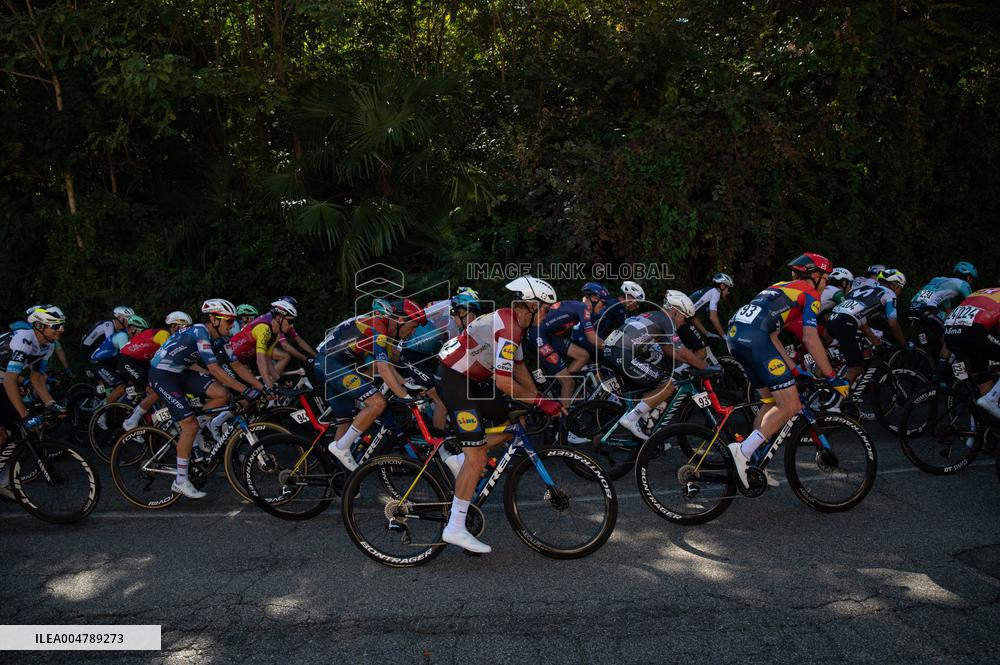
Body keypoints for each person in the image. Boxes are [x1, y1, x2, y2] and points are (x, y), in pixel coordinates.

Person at [435, 276, 563, 553]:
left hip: (472, 380)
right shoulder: (508, 328)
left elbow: (519, 370)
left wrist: (538, 402)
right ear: (530, 305)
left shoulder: (514, 326)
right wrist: (541, 401)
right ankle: (455, 527)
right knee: (478, 456)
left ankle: (459, 460)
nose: (547, 314)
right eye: (545, 308)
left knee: (514, 421)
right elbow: (504, 383)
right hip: (455, 380)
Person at [726, 253, 849, 489]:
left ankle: (752, 464)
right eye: (826, 279)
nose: (826, 285)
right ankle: (743, 452)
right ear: (815, 275)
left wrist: (793, 369)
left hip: (736, 337)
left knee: (771, 401)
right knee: (791, 405)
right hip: (756, 339)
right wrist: (832, 376)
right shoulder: (809, 293)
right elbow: (811, 338)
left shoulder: (779, 287)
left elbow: (773, 336)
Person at [148, 299, 264, 499]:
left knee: (222, 394)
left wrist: (262, 387)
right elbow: (213, 368)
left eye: (232, 321)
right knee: (189, 426)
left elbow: (236, 366)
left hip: (182, 372)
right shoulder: (200, 332)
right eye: (228, 321)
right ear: (214, 319)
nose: (231, 326)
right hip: (162, 374)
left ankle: (197, 427)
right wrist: (245, 391)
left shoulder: (221, 338)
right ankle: (181, 480)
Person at [317, 299, 427, 471]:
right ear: (400, 320)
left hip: (331, 364)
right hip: (331, 364)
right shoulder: (379, 327)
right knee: (378, 402)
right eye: (413, 327)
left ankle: (336, 474)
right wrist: (405, 397)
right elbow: (382, 368)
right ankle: (341, 448)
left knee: (345, 424)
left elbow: (389, 365)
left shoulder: (384, 329)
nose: (413, 333)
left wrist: (406, 385)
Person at [609, 290, 707, 440]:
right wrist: (705, 367)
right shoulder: (668, 321)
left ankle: (644, 423)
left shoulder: (655, 316)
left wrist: (684, 360)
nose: (683, 323)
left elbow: (667, 348)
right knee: (668, 386)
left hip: (612, 351)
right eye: (684, 318)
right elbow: (683, 351)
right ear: (675, 311)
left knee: (658, 383)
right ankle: (632, 418)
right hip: (624, 353)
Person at [0, 306, 66, 498]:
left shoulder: (49, 345)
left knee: (22, 431)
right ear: (39, 326)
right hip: (5, 380)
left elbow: (37, 380)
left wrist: (52, 405)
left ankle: (4, 481)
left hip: (3, 379)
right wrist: (25, 415)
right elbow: (12, 380)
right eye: (56, 326)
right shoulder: (24, 339)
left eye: (62, 325)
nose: (61, 329)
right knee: (4, 433)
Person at [827, 269, 910, 384]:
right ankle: (836, 399)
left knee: (833, 360)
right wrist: (903, 343)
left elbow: (863, 324)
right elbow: (892, 323)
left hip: (833, 319)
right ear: (895, 285)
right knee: (855, 368)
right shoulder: (889, 294)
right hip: (846, 323)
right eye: (901, 287)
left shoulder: (861, 289)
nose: (900, 291)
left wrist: (878, 344)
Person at [120, 311, 193, 430]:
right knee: (157, 390)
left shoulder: (172, 336)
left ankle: (163, 420)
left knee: (166, 387)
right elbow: (173, 357)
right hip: (128, 361)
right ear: (174, 326)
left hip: (140, 362)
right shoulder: (164, 334)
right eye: (184, 327)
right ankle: (131, 421)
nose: (187, 331)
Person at [942, 287, 1000, 419]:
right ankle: (991, 398)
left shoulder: (985, 291)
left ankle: (982, 427)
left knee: (983, 381)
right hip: (973, 332)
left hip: (950, 332)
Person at [689, 273, 735, 340]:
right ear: (722, 286)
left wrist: (707, 334)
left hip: (679, 316)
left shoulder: (710, 291)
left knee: (700, 348)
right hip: (680, 318)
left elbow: (694, 318)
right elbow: (713, 317)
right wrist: (724, 336)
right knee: (700, 348)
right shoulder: (716, 293)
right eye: (728, 289)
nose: (728, 292)